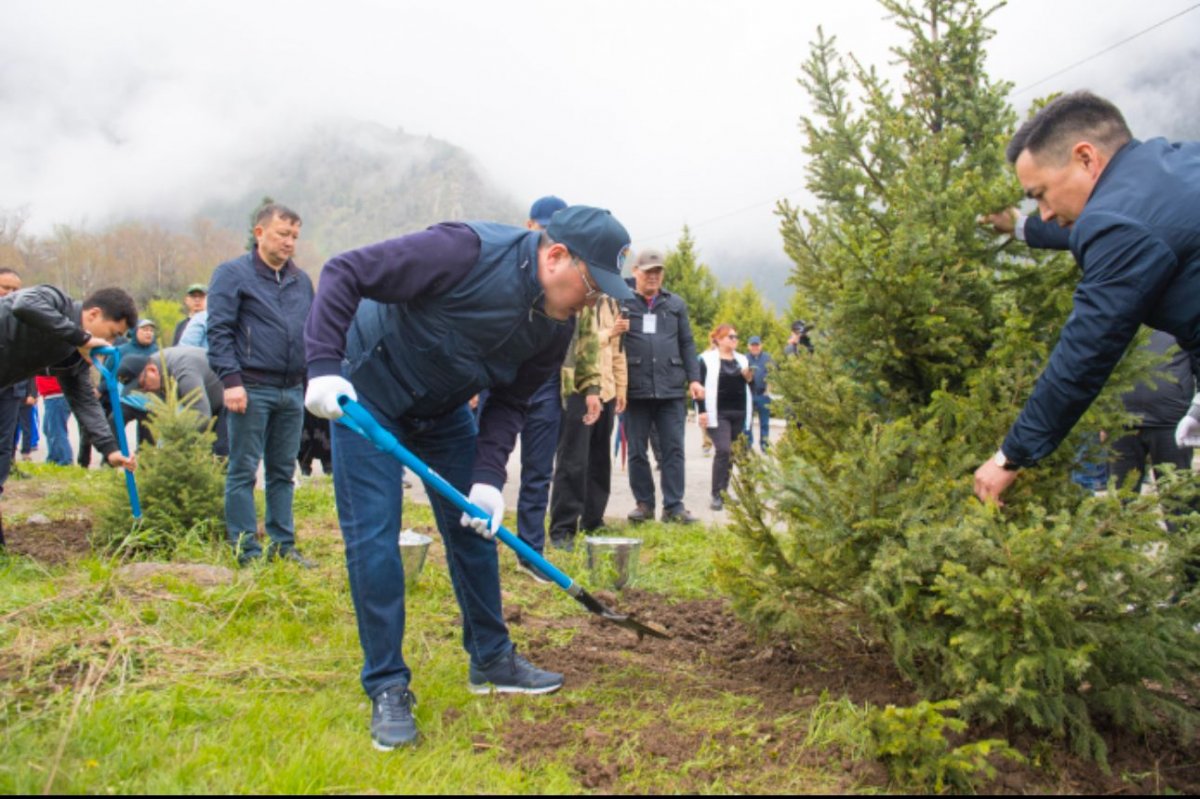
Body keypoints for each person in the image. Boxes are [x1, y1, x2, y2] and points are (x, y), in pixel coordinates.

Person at [302, 205, 634, 751]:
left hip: (446, 408)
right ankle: (387, 684)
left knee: (474, 533)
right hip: (369, 395)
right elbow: (344, 272)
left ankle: (491, 659)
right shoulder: (463, 252)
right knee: (375, 541)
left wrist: (485, 476)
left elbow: (511, 401)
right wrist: (322, 368)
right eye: (592, 287)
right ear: (555, 257)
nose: (593, 302)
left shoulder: (556, 330)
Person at [972, 91, 1200, 504]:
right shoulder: (1170, 165)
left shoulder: (1119, 224)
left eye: (1040, 193)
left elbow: (1085, 353)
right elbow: (1125, 224)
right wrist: (1019, 227)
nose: (1042, 211)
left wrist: (1010, 456)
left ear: (1085, 158)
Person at [207, 203, 314, 567]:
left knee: (283, 471)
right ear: (259, 233)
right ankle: (246, 549)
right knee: (243, 469)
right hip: (251, 388)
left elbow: (311, 332)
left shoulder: (302, 281)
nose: (289, 243)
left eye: (295, 236)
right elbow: (219, 331)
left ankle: (283, 546)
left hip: (292, 389)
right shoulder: (232, 274)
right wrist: (231, 380)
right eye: (283, 234)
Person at [0, 282, 139, 547]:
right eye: (110, 334)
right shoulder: (54, 300)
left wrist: (110, 450)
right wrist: (82, 338)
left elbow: (85, 402)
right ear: (93, 314)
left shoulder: (73, 357)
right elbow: (23, 305)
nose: (107, 344)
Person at [512, 196, 572, 581]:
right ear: (530, 226)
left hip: (547, 386)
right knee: (485, 466)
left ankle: (530, 552)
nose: (548, 235)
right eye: (543, 226)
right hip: (502, 382)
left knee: (538, 471)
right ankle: (474, 543)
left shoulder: (566, 275)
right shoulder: (510, 268)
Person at [621, 248, 704, 524]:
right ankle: (644, 505)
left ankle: (673, 506)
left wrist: (694, 379)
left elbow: (687, 343)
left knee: (673, 449)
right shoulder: (623, 302)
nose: (653, 276)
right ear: (635, 272)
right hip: (635, 389)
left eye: (658, 271)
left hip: (670, 388)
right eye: (648, 272)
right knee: (636, 450)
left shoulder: (675, 304)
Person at [547, 275, 628, 550]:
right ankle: (563, 529)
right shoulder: (577, 298)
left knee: (599, 459)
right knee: (573, 460)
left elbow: (618, 352)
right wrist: (610, 333)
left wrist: (621, 387)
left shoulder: (610, 303)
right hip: (578, 388)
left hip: (606, 391)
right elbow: (582, 344)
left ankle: (593, 520)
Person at [116, 346, 226, 443]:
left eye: (142, 385)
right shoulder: (157, 369)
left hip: (231, 399)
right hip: (211, 403)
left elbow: (202, 416)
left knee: (222, 452)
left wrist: (175, 441)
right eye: (139, 390)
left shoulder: (184, 372)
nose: (145, 391)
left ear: (152, 370)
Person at [698, 324, 752, 511]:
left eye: (736, 337)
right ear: (719, 339)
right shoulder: (706, 359)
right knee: (723, 450)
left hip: (738, 412)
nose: (735, 340)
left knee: (732, 452)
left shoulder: (743, 360)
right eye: (730, 337)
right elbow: (699, 388)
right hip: (717, 412)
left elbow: (749, 388)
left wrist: (750, 378)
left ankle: (724, 491)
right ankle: (715, 494)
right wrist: (701, 411)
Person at [35, 374, 74, 466]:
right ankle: (54, 457)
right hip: (51, 397)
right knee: (48, 429)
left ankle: (65, 460)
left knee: (57, 430)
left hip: (56, 396)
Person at [745, 335, 773, 452]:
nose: (755, 347)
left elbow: (772, 375)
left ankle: (765, 445)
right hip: (749, 394)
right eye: (753, 345)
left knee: (765, 423)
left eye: (757, 345)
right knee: (747, 422)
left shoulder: (767, 358)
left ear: (761, 345)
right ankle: (748, 444)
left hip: (763, 394)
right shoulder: (745, 358)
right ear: (749, 346)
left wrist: (769, 391)